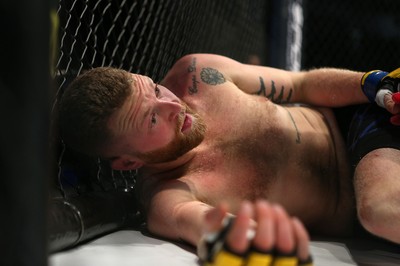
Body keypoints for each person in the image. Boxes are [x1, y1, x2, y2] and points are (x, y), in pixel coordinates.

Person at [58, 53, 400, 265]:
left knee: (381, 211)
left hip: (363, 125)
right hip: (363, 206)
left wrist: (370, 85)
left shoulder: (198, 73)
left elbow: (301, 83)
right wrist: (248, 243)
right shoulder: (169, 197)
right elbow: (208, 226)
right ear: (129, 162)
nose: (174, 106)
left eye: (156, 89)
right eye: (151, 119)